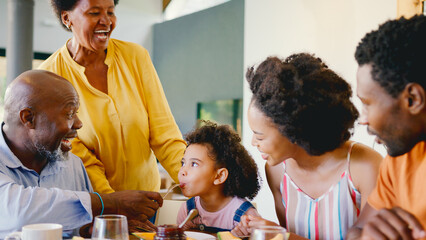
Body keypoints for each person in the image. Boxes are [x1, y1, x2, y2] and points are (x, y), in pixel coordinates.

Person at [38, 0, 186, 193]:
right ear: (67, 18)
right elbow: (78, 155)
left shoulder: (135, 57)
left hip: (147, 199)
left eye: (110, 12)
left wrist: (193, 181)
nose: (106, 21)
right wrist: (114, 204)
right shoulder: (50, 75)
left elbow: (165, 135)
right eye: (94, 13)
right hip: (95, 206)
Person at [0, 70, 163, 238]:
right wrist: (111, 203)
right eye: (70, 114)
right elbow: (18, 214)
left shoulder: (72, 164)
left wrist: (96, 227)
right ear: (28, 118)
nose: (79, 123)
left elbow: (79, 222)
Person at [239, 53, 383, 240]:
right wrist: (264, 230)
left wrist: (283, 237)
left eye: (259, 136)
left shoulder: (365, 167)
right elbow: (288, 234)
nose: (253, 143)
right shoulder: (276, 172)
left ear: (292, 129)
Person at [346, 15, 426, 240]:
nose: (363, 120)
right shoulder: (400, 159)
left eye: (368, 104)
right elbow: (358, 232)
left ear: (412, 99)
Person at [177, 121, 261, 236]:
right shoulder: (187, 210)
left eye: (194, 164)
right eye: (183, 163)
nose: (182, 171)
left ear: (219, 176)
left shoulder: (243, 217)